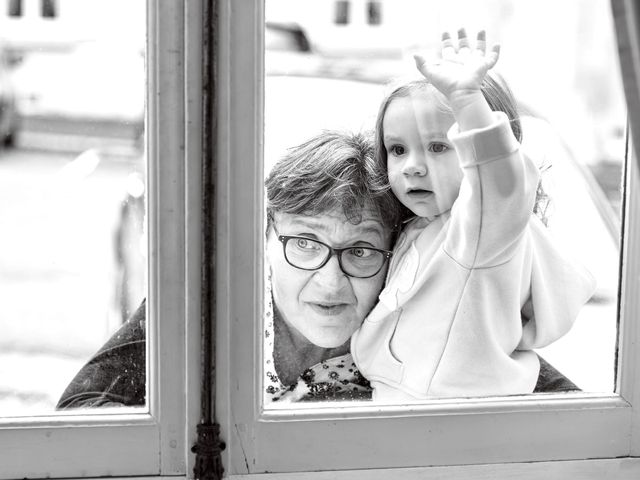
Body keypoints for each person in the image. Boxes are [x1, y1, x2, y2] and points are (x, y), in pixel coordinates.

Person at [57, 130, 403, 408]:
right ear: (266, 239)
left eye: (361, 250)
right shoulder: (203, 305)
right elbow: (80, 411)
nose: (331, 281)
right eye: (305, 243)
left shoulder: (407, 327)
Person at [350, 29, 597, 401]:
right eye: (398, 149)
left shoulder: (480, 234)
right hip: (398, 417)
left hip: (450, 429)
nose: (413, 167)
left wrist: (466, 100)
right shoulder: (418, 226)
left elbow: (499, 183)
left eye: (438, 147)